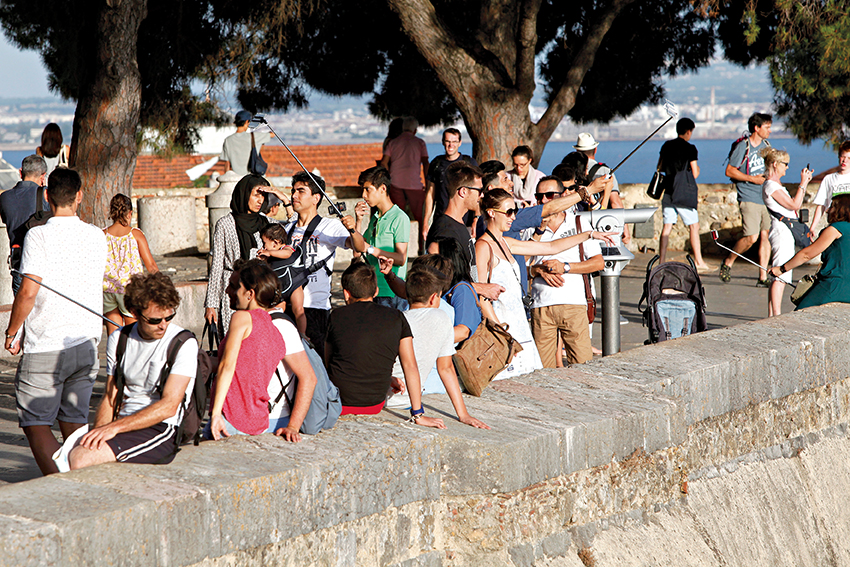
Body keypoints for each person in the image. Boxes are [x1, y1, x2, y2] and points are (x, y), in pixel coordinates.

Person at [4, 168, 106, 475]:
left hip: (46, 342)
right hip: (86, 341)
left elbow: (28, 291)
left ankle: (62, 483)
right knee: (75, 422)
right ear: (79, 196)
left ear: (47, 197)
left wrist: (12, 332)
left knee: (35, 422)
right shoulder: (96, 235)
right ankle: (81, 478)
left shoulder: (38, 235)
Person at [475, 189, 615, 379]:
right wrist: (500, 332)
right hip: (503, 324)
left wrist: (588, 234)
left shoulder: (506, 242)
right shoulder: (483, 246)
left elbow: (551, 247)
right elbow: (482, 295)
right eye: (508, 212)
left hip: (519, 323)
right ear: (491, 212)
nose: (513, 217)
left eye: (514, 211)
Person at [67, 273, 197, 469]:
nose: (163, 325)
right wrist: (100, 432)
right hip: (124, 422)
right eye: (155, 320)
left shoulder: (183, 343)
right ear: (135, 313)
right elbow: (111, 396)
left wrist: (113, 428)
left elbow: (169, 405)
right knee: (79, 450)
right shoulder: (119, 338)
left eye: (168, 317)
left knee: (80, 458)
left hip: (161, 427)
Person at [325, 263, 445, 428]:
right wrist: (418, 414)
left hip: (339, 402)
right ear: (376, 292)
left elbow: (328, 363)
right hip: (374, 404)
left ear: (346, 294)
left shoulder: (336, 316)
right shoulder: (396, 317)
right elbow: (410, 366)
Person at [265, 171, 367, 356]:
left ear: (316, 198)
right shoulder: (286, 229)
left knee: (315, 367)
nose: (294, 195)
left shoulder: (329, 226)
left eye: (301, 191)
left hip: (315, 308)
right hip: (284, 307)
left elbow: (359, 247)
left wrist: (352, 229)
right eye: (293, 191)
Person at [386, 266, 489, 429]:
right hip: (406, 402)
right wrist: (463, 414)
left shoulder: (395, 319)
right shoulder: (441, 318)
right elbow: (446, 368)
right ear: (434, 298)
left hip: (383, 396)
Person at [205, 259, 287, 439]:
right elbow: (245, 368)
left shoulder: (241, 318)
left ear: (250, 294)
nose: (228, 292)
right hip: (258, 421)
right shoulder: (275, 333)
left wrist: (216, 414)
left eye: (234, 287)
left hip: (230, 418)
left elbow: (227, 366)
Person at [527, 177, 603, 366]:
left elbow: (598, 263)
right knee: (542, 371)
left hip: (573, 305)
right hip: (541, 306)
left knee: (583, 365)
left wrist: (566, 267)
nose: (544, 201)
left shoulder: (578, 223)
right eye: (539, 197)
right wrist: (538, 270)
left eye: (549, 196)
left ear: (562, 197)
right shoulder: (530, 228)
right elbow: (521, 266)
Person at [205, 173, 271, 336]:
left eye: (264, 195)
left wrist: (283, 198)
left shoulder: (267, 223)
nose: (260, 200)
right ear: (244, 193)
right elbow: (217, 265)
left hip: (259, 291)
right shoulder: (225, 224)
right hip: (233, 289)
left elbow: (295, 227)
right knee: (233, 338)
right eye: (256, 194)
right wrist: (211, 304)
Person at [769, 194, 850, 310]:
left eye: (832, 206)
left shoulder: (835, 229)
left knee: (800, 314)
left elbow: (806, 255)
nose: (827, 210)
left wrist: (782, 269)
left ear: (841, 209)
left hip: (834, 284)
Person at [720, 112, 773, 286]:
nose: (770, 131)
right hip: (748, 195)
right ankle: (729, 261)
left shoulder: (766, 146)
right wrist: (752, 179)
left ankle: (763, 276)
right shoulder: (744, 147)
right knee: (751, 237)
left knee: (766, 236)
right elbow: (730, 171)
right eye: (767, 127)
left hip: (765, 196)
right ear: (756, 128)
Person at [761, 147, 813, 316]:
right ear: (775, 165)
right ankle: (775, 314)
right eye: (785, 164)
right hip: (781, 233)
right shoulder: (770, 185)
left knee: (780, 272)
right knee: (781, 274)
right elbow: (794, 205)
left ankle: (772, 314)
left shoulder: (775, 186)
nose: (787, 167)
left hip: (784, 231)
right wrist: (803, 183)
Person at [354, 166, 410, 310]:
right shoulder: (375, 218)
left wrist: (371, 249)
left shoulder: (400, 218)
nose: (364, 195)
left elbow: (400, 258)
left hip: (391, 292)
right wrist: (358, 221)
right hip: (373, 291)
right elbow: (358, 250)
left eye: (368, 189)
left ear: (382, 189)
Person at [657, 118, 710, 270]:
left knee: (667, 226)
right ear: (688, 131)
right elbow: (695, 173)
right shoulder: (690, 148)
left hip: (668, 191)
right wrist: (698, 169)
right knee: (694, 226)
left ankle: (662, 261)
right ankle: (699, 262)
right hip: (684, 194)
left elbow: (659, 166)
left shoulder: (666, 145)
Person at [102, 194, 158, 336]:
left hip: (108, 289)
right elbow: (150, 265)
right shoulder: (136, 234)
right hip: (130, 290)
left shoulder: (103, 235)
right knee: (132, 333)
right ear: (129, 213)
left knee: (113, 333)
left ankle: (115, 358)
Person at [265, 304, 319, 442]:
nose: (228, 291)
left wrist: (294, 426)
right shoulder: (246, 320)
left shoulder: (281, 326)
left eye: (235, 286)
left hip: (273, 418)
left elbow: (309, 378)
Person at [0, 154, 49, 294]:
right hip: (43, 263)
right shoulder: (46, 195)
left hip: (18, 263)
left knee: (23, 311)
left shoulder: (5, 198)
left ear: (20, 172)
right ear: (43, 175)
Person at [380, 116, 429, 251]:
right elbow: (425, 163)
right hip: (414, 185)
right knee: (420, 218)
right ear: (415, 130)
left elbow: (384, 162)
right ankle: (421, 248)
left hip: (395, 183)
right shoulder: (420, 143)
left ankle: (396, 248)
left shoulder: (393, 142)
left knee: (395, 217)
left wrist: (387, 179)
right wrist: (428, 183)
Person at [423, 128, 479, 239]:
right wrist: (425, 223)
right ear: (443, 142)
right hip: (441, 220)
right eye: (448, 141)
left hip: (465, 221)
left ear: (460, 143)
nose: (450, 145)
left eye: (454, 142)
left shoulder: (469, 163)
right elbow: (430, 194)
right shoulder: (436, 164)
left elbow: (478, 193)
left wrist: (476, 219)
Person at [574, 133, 629, 243]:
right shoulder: (604, 171)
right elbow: (615, 202)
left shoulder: (570, 169)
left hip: (577, 226)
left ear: (577, 151)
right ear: (595, 150)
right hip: (601, 224)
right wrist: (625, 229)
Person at [256, 223, 307, 335]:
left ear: (276, 243)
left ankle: (303, 334)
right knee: (277, 311)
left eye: (265, 243)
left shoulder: (287, 248)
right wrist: (263, 259)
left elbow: (287, 254)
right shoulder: (270, 256)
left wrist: (269, 252)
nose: (264, 246)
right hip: (280, 289)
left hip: (294, 283)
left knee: (298, 310)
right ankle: (277, 332)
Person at [810, 141, 850, 231]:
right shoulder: (829, 179)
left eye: (849, 158)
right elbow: (821, 205)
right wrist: (812, 227)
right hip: (835, 225)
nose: (845, 161)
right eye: (843, 157)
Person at [219, 110, 271, 177]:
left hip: (237, 179)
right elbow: (272, 135)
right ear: (247, 122)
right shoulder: (253, 136)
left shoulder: (228, 140)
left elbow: (227, 163)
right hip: (252, 177)